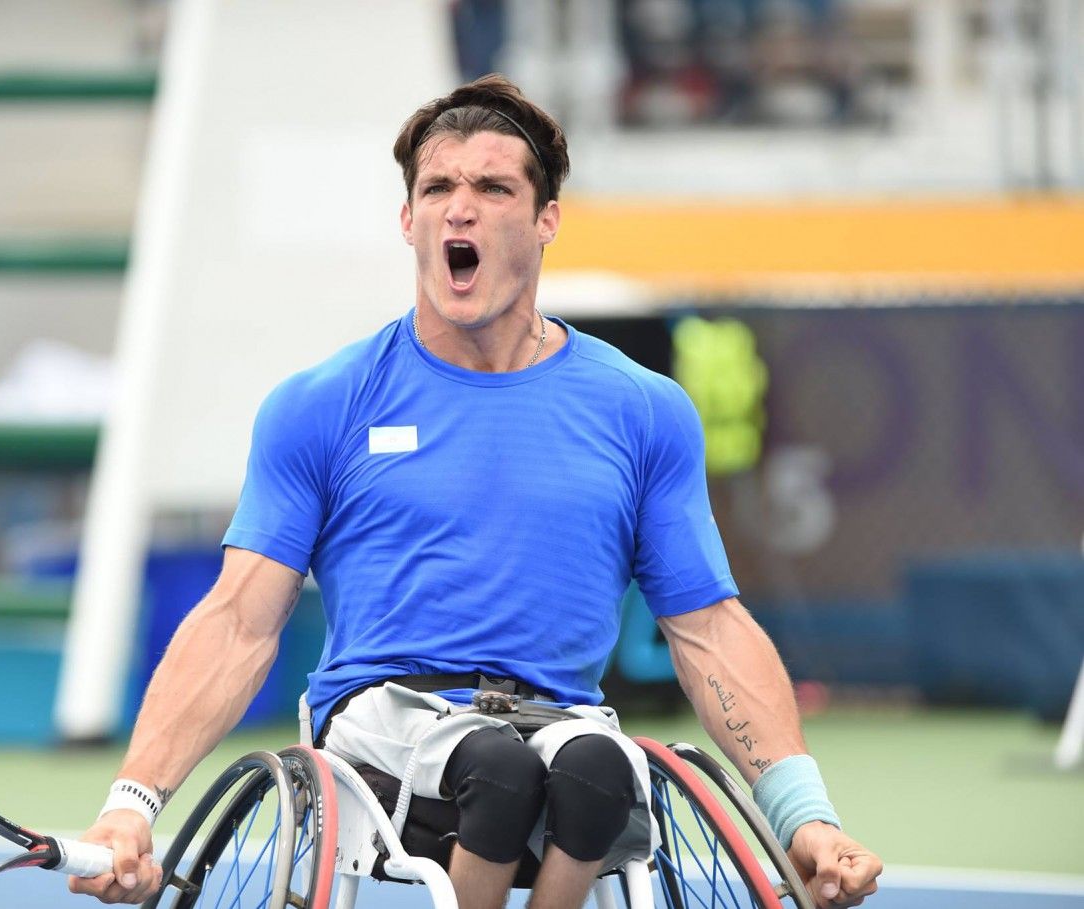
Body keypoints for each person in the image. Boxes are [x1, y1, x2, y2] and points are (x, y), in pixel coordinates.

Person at [70, 75, 882, 909]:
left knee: (598, 767)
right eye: (437, 189)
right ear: (408, 220)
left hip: (562, 731)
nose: (460, 209)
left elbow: (709, 631)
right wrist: (132, 806)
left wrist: (805, 819)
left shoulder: (643, 410)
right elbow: (238, 622)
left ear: (546, 219)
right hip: (382, 735)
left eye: (493, 188)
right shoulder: (322, 404)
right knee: (497, 769)